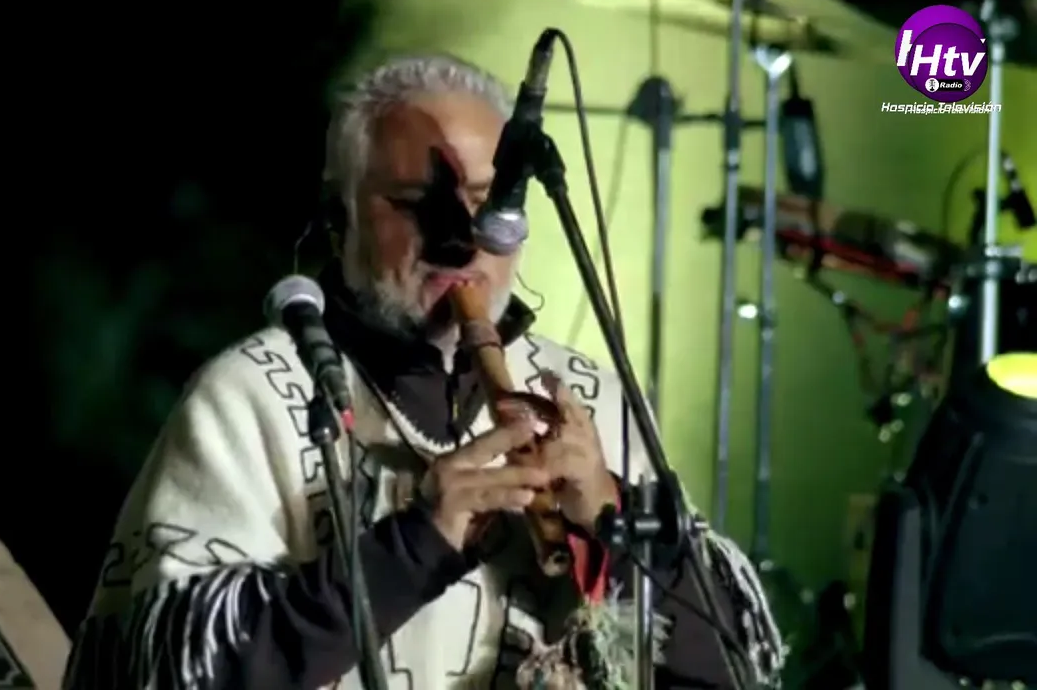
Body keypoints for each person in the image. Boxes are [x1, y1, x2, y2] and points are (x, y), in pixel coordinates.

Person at [63, 54, 784, 689]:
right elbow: (163, 671)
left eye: (489, 204)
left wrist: (611, 519)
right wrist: (415, 546)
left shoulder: (588, 396)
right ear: (339, 218)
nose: (460, 242)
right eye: (414, 205)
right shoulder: (251, 394)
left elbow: (740, 666)